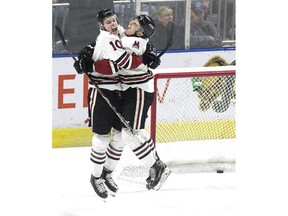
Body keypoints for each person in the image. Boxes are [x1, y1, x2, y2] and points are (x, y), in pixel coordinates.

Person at [73, 9, 144, 201]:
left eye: (113, 20)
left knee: (121, 137)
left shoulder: (122, 35)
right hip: (102, 93)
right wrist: (85, 59)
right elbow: (109, 58)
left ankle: (107, 173)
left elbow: (136, 46)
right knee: (102, 138)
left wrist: (147, 55)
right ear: (102, 27)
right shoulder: (103, 39)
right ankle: (95, 177)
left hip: (121, 93)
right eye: (107, 22)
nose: (112, 24)